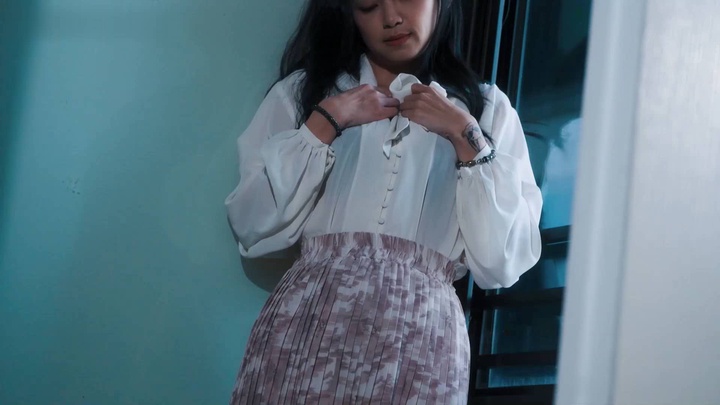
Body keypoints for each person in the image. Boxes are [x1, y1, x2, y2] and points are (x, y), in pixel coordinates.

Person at [225, 0, 542, 402]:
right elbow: (251, 224)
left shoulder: (487, 110)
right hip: (310, 322)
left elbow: (504, 261)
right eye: (368, 5)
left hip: (423, 336)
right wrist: (325, 122)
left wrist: (465, 135)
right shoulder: (304, 93)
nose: (391, 18)